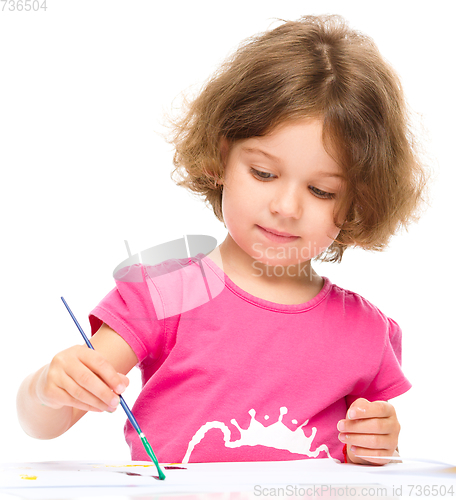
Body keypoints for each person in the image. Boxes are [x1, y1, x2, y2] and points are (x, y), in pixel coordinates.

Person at [17, 14, 427, 466]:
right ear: (221, 154)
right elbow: (44, 422)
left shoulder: (363, 330)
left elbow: (371, 457)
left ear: (356, 202)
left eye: (321, 190)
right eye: (264, 173)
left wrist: (380, 444)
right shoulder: (171, 292)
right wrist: (48, 389)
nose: (286, 207)